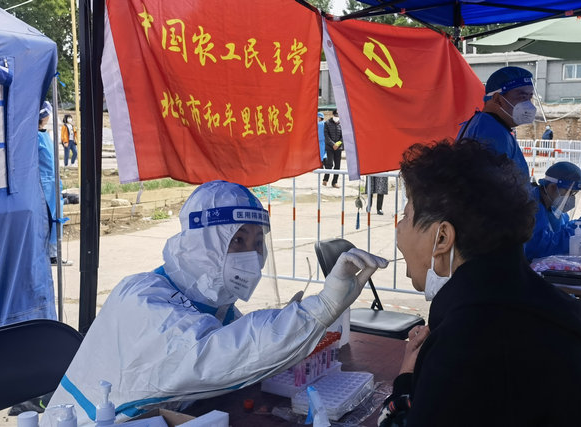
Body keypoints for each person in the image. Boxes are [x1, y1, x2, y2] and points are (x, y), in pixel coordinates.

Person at [45, 180, 387, 425]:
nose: (251, 255)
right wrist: (318, 309)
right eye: (237, 240)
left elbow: (244, 352)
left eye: (257, 242)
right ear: (201, 242)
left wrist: (294, 328)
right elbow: (216, 356)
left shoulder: (214, 307)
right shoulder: (142, 300)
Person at [378, 139, 581, 426]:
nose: (399, 229)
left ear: (442, 238)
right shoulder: (534, 303)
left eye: (407, 216)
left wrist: (405, 381)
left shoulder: (473, 340)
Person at [457, 66, 534, 178]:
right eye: (522, 97)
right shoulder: (491, 134)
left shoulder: (487, 124)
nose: (528, 105)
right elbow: (493, 185)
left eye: (529, 98)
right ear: (497, 99)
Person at [524, 161, 581, 261]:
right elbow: (540, 247)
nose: (571, 198)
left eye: (574, 194)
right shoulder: (530, 207)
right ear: (552, 187)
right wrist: (575, 234)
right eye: (569, 193)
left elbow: (560, 229)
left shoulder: (553, 207)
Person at [37, 101, 70, 266]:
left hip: (53, 181)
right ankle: (51, 255)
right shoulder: (35, 137)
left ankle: (53, 253)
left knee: (57, 216)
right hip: (44, 182)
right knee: (49, 219)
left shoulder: (45, 135)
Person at [323, 110, 343, 188]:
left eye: (338, 116)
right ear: (333, 115)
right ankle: (325, 179)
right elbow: (326, 135)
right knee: (329, 163)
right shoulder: (327, 123)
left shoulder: (342, 124)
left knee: (337, 165)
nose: (337, 117)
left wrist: (338, 144)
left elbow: (343, 136)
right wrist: (333, 144)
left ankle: (334, 182)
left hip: (338, 148)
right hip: (330, 147)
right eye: (336, 115)